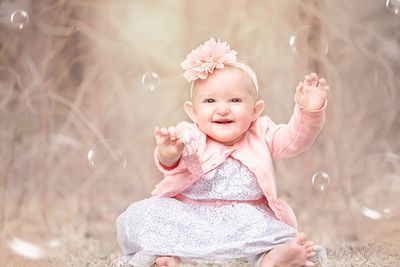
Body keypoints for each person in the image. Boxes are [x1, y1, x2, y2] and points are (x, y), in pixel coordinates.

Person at [115, 37, 329, 267]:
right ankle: (171, 259)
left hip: (245, 221)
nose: (223, 109)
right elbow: (175, 160)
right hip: (192, 218)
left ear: (255, 110)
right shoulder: (191, 134)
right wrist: (169, 153)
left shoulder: (262, 132)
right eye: (210, 101)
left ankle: (272, 259)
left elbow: (294, 140)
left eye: (235, 100)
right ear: (193, 112)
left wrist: (309, 112)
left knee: (274, 237)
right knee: (146, 214)